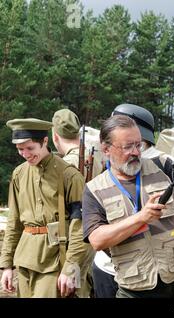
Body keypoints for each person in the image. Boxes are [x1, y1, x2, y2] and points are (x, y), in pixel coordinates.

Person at [82, 115, 174, 298]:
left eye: (138, 145)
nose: (135, 152)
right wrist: (140, 218)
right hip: (136, 287)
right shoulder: (94, 190)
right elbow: (97, 239)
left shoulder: (163, 167)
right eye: (128, 147)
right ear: (106, 149)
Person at [0, 118, 90, 298]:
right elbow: (14, 222)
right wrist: (7, 264)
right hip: (24, 259)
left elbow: (80, 227)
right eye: (20, 149)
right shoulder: (19, 174)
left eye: (30, 148)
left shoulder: (69, 175)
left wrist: (71, 267)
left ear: (45, 141)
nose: (25, 154)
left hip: (56, 260)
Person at [52, 108, 102, 298]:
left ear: (55, 136)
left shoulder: (65, 167)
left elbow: (73, 214)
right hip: (91, 242)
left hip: (74, 243)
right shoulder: (94, 158)